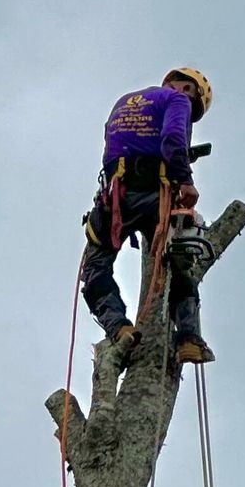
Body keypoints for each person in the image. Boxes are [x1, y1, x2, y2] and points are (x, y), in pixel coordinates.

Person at [79, 68, 216, 368]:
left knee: (95, 269)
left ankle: (119, 327)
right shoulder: (178, 101)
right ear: (189, 91)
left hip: (115, 197)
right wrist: (186, 180)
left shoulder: (125, 101)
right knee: (179, 258)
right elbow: (172, 139)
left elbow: (114, 148)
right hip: (156, 194)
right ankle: (189, 339)